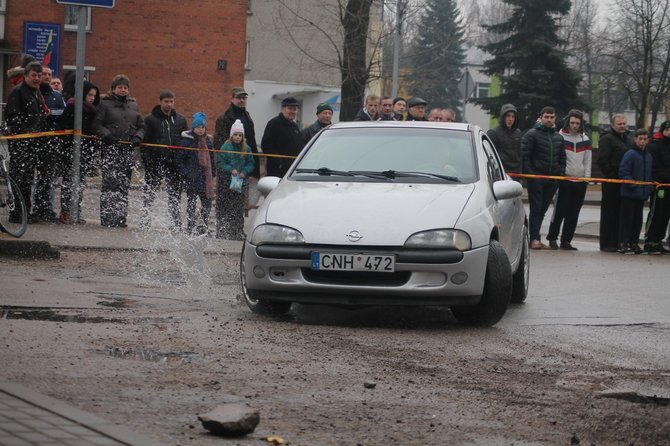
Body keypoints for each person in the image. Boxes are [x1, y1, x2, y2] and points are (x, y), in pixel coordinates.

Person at [93, 74, 145, 228]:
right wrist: (107, 135)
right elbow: (96, 124)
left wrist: (138, 137)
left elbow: (141, 126)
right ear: (114, 89)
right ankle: (107, 218)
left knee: (123, 184)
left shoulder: (133, 106)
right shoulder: (104, 104)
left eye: (125, 87)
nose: (123, 90)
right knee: (110, 183)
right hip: (110, 149)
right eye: (120, 87)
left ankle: (121, 217)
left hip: (127, 150)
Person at [4, 61, 50, 224]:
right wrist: (26, 132)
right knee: (19, 178)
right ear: (25, 76)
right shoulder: (18, 92)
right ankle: (16, 214)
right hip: (21, 142)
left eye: (39, 75)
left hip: (34, 143)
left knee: (28, 179)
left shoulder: (36, 92)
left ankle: (25, 211)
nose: (37, 78)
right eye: (34, 75)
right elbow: (12, 117)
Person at [213, 87, 261, 238]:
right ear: (232, 99)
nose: (242, 100)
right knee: (224, 200)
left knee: (238, 200)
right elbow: (218, 143)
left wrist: (254, 167)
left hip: (242, 169)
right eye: (239, 97)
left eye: (244, 97)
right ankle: (222, 230)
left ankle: (237, 230)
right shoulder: (224, 118)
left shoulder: (247, 116)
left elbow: (251, 142)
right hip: (227, 169)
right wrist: (229, 165)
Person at [139, 89, 188, 230]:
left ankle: (174, 222)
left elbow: (185, 140)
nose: (169, 104)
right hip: (156, 161)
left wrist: (181, 160)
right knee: (150, 193)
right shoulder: (150, 119)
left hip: (174, 162)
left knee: (175, 194)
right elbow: (145, 143)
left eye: (171, 101)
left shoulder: (180, 120)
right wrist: (147, 161)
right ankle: (145, 220)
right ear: (160, 102)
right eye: (166, 101)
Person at [546, 109, 592, 250]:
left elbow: (587, 161)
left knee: (573, 213)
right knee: (559, 211)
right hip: (564, 180)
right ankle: (552, 238)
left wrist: (587, 179)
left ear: (581, 124)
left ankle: (566, 241)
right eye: (572, 122)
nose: (574, 125)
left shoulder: (586, 139)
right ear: (568, 122)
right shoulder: (559, 137)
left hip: (580, 182)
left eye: (577, 123)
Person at [521, 106, 566, 249]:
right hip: (536, 178)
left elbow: (562, 158)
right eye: (546, 117)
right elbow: (525, 156)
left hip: (552, 179)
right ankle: (533, 238)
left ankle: (536, 237)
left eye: (552, 117)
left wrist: (560, 173)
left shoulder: (558, 137)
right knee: (536, 208)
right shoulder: (532, 134)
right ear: (541, 117)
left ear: (555, 119)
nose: (549, 119)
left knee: (543, 210)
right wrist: (530, 175)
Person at [58, 80, 101, 225]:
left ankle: (76, 210)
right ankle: (65, 211)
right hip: (71, 150)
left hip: (86, 150)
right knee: (69, 182)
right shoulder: (72, 106)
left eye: (94, 95)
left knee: (80, 183)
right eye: (90, 95)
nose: (92, 98)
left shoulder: (93, 110)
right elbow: (65, 127)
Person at [32, 66, 66, 222]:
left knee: (49, 178)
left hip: (52, 141)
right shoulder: (33, 93)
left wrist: (52, 113)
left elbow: (64, 113)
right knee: (31, 177)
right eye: (43, 74)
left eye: (49, 74)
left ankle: (46, 208)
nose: (46, 76)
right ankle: (32, 208)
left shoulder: (57, 96)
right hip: (34, 140)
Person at [176, 112, 216, 235]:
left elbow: (212, 158)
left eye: (202, 127)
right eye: (198, 127)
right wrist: (186, 173)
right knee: (191, 205)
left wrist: (212, 172)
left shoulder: (208, 142)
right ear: (193, 128)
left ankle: (202, 226)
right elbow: (179, 160)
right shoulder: (187, 142)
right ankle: (191, 226)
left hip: (205, 179)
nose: (200, 129)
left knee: (207, 204)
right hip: (191, 179)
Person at [217, 119, 255, 240]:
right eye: (235, 135)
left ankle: (237, 230)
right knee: (225, 206)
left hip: (240, 183)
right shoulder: (225, 147)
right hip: (226, 182)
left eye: (240, 135)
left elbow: (251, 163)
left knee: (238, 207)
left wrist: (245, 172)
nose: (238, 137)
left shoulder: (247, 148)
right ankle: (222, 230)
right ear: (231, 135)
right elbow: (220, 162)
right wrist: (230, 169)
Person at [618, 129, 654, 254]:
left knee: (638, 220)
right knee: (627, 219)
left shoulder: (648, 156)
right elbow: (623, 172)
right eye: (640, 139)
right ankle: (624, 243)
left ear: (648, 140)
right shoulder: (630, 154)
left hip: (641, 194)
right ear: (635, 139)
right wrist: (633, 184)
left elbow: (649, 174)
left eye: (645, 139)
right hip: (629, 193)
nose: (643, 142)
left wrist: (648, 188)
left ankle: (634, 243)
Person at [597, 114, 630, 252]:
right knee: (609, 212)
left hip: (623, 181)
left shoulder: (627, 139)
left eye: (624, 123)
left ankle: (617, 241)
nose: (622, 126)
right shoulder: (607, 139)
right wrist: (612, 175)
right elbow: (602, 160)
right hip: (611, 181)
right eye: (619, 124)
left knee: (620, 213)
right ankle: (607, 243)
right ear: (613, 125)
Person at [260, 97, 305, 178]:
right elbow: (266, 145)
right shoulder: (274, 123)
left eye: (295, 109)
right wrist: (280, 162)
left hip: (293, 169)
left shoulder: (294, 126)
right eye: (290, 108)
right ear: (283, 109)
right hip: (277, 171)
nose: (292, 111)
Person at [643, 121, 670, 254]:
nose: (669, 132)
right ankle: (649, 241)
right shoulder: (655, 146)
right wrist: (656, 181)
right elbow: (653, 167)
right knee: (656, 213)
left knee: (665, 215)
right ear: (663, 131)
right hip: (659, 186)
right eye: (667, 129)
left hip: (668, 186)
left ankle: (658, 241)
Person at [487, 104, 522, 175]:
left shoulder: (518, 133)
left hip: (515, 173)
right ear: (503, 117)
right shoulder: (493, 133)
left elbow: (520, 154)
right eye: (508, 116)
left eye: (513, 116)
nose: (510, 119)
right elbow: (490, 156)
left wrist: (520, 173)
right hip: (500, 173)